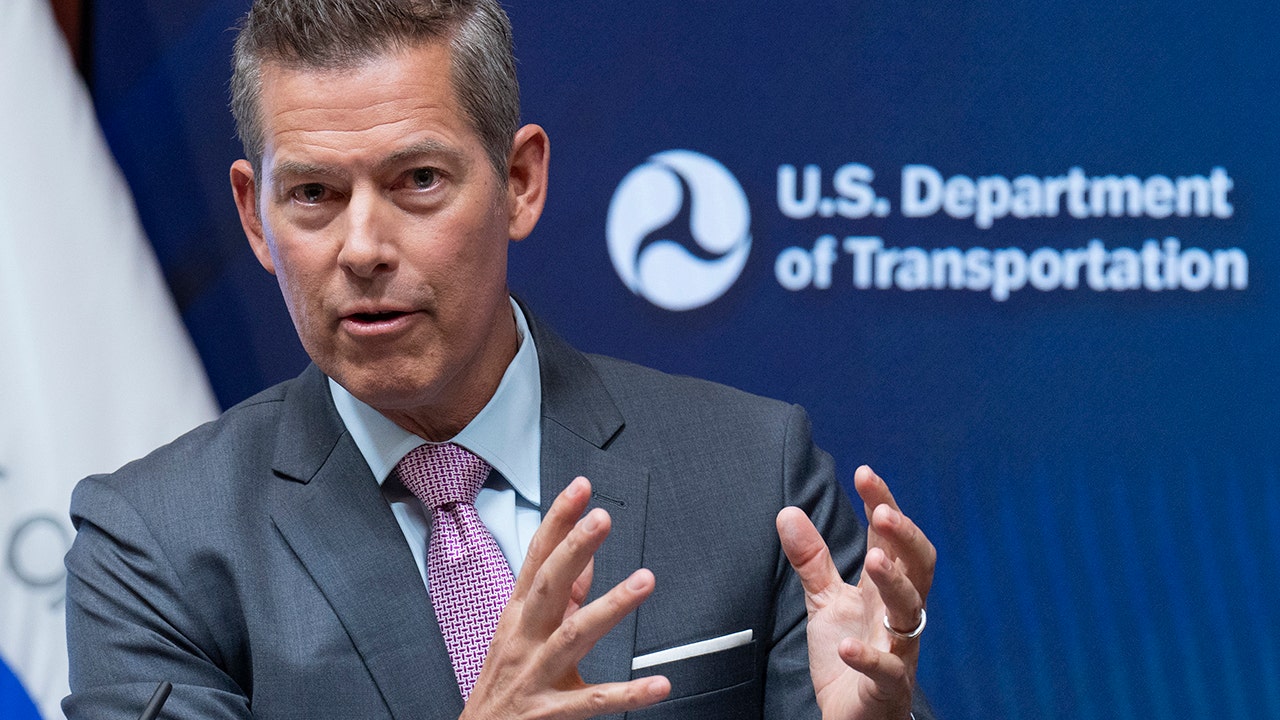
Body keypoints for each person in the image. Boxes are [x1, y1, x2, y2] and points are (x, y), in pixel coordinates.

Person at [63, 1, 936, 718]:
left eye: (418, 180)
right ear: (255, 217)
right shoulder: (153, 548)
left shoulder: (753, 474)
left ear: (519, 182)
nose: (362, 248)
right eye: (314, 193)